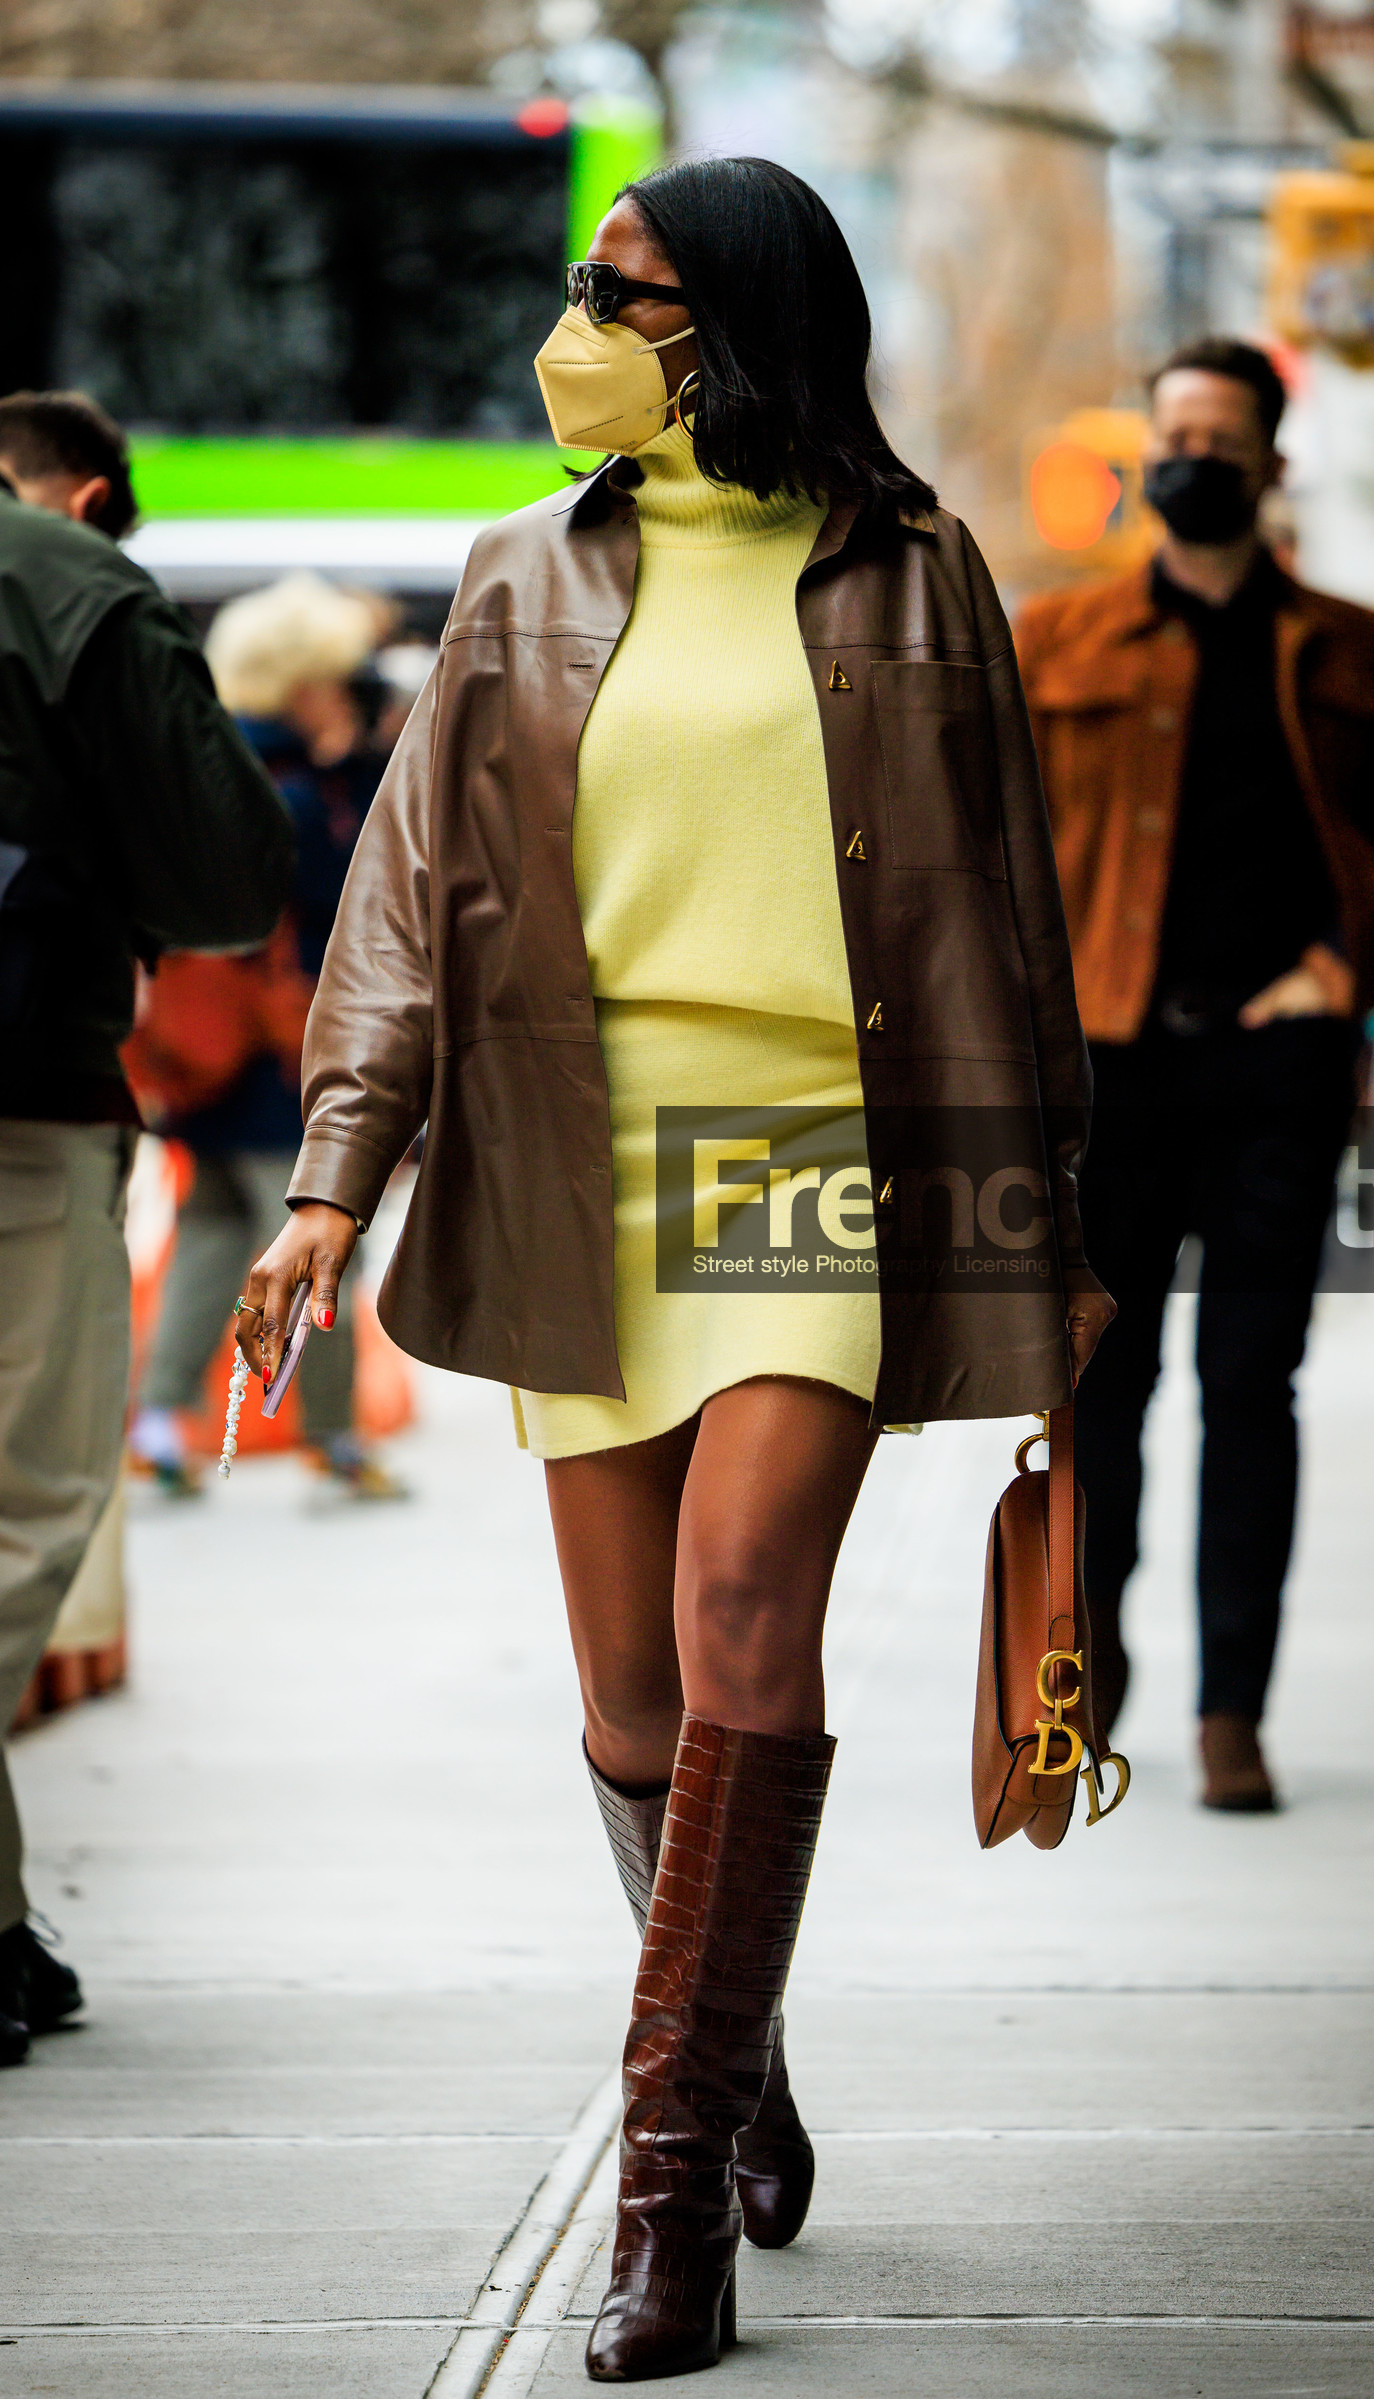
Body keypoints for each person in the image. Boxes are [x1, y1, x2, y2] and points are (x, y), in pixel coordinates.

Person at [233, 158, 1112, 2383]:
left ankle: (667, 2197)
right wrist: (339, 1170)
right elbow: (411, 902)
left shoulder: (912, 569)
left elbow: (1008, 914)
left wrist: (1045, 1236)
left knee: (743, 1620)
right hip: (571, 1153)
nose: (577, 324)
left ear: (730, 318)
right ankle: (738, 2041)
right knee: (634, 1699)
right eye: (575, 286)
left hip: (803, 1147)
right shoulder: (518, 568)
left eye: (615, 291)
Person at [1015, 337, 1374, 1813]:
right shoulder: (1058, 636)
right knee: (1102, 1386)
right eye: (1175, 429)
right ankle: (1091, 1680)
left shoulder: (1346, 643)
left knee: (1252, 1387)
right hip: (1107, 1072)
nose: (1194, 452)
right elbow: (994, 843)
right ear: (1149, 454)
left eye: (1223, 431)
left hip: (1279, 1071)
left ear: (1272, 465)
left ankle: (1230, 1712)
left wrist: (1340, 966)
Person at [0, 389, 292, 2065]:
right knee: (30, 1503)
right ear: (96, 493)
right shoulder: (75, 582)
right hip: (22, 1100)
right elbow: (215, 879)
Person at [126, 574, 406, 1500]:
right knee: (321, 1240)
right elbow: (342, 901)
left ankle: (163, 1418)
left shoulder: (203, 765)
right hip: (280, 1052)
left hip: (202, 1052)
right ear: (301, 681)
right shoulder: (293, 787)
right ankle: (334, 1434)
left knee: (211, 1230)